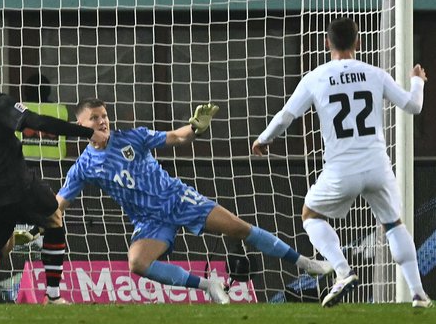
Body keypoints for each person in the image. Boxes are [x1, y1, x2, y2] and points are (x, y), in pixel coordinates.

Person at [56, 98, 333, 304]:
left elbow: (176, 137)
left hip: (178, 199)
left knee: (240, 228)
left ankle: (304, 262)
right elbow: (59, 204)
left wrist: (194, 127)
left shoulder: (131, 137)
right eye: (94, 118)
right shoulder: (83, 167)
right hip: (149, 221)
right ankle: (207, 285)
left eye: (104, 115)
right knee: (137, 263)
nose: (102, 121)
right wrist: (36, 221)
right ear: (80, 125)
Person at [251, 17, 432, 308]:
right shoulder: (374, 73)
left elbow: (287, 115)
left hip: (341, 169)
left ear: (327, 43)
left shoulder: (316, 77)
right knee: (394, 224)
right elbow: (413, 106)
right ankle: (418, 293)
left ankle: (343, 270)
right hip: (377, 165)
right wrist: (416, 81)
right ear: (358, 43)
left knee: (310, 214)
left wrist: (263, 138)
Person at [0, 41, 108, 306]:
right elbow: (37, 122)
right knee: (54, 217)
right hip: (17, 184)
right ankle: (53, 295)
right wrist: (86, 132)